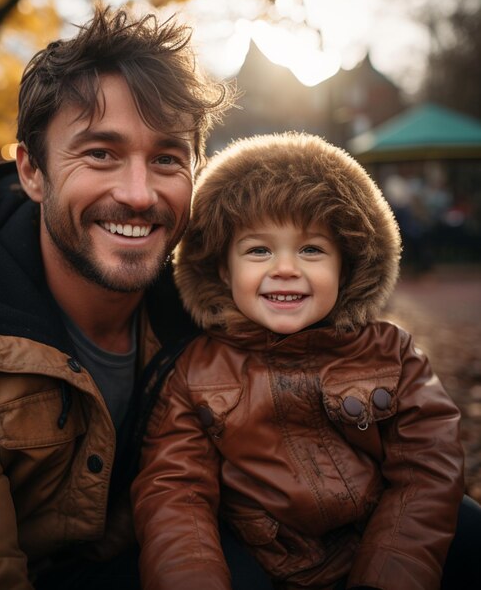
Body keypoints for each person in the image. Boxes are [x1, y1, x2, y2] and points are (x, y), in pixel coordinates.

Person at [0, 6, 234, 589]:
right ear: (32, 171)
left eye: (166, 158)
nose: (138, 194)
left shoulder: (220, 315)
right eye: (100, 153)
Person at [131, 132, 472, 590]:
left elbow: (428, 470)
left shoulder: (391, 355)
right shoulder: (197, 372)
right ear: (223, 270)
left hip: (383, 545)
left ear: (345, 266)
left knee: (466, 526)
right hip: (267, 560)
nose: (286, 268)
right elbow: (175, 492)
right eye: (259, 250)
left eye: (311, 249)